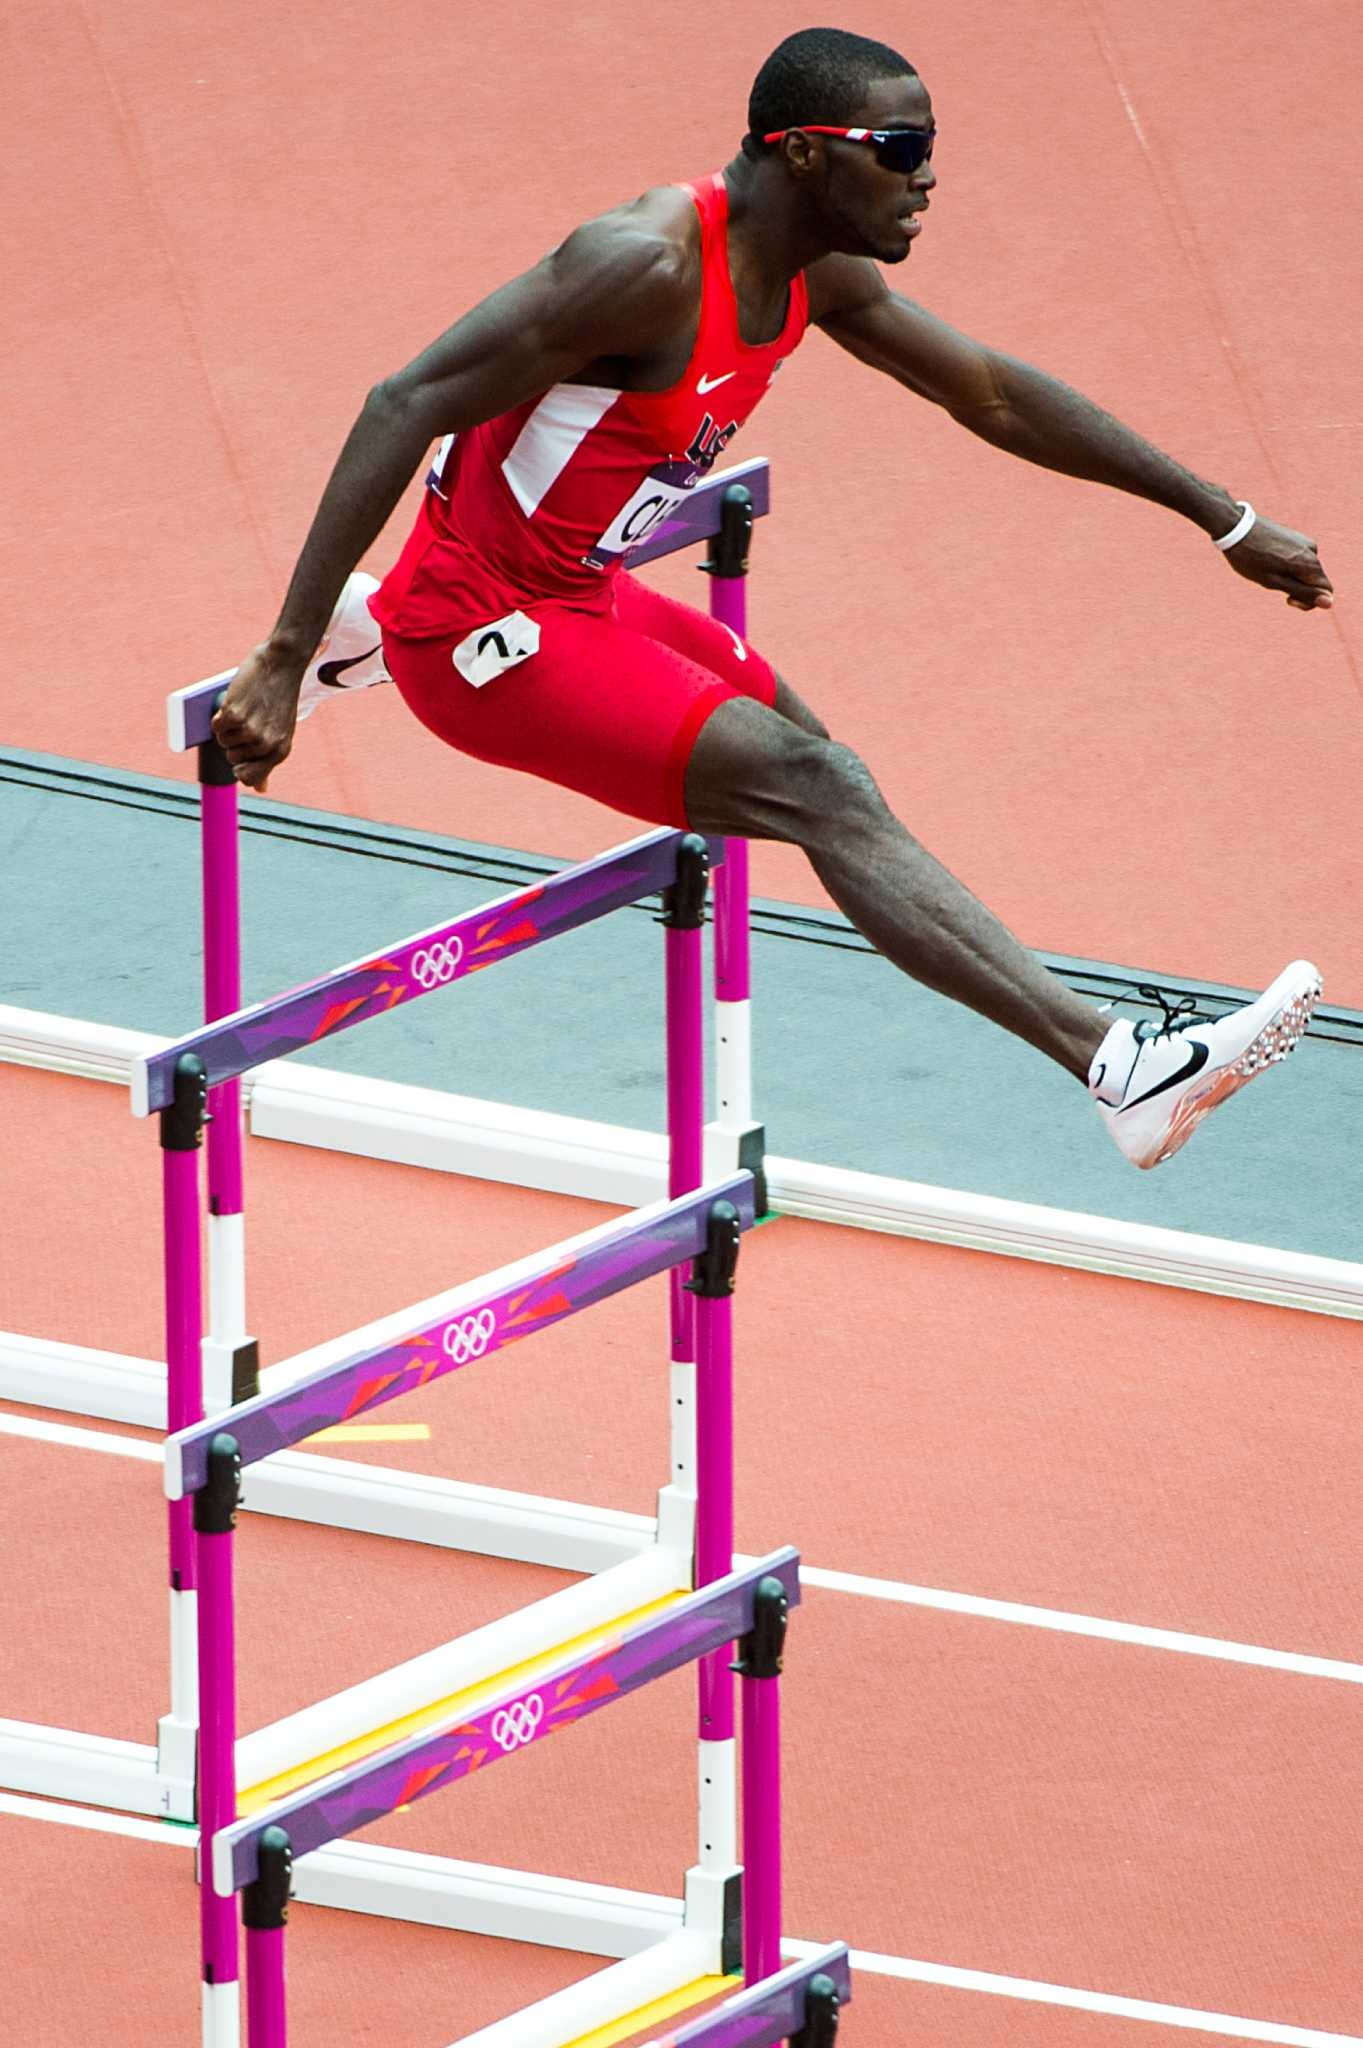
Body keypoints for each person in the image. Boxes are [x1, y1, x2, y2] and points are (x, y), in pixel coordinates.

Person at [213, 26, 1332, 1170]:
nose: (928, 176)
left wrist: (1222, 516)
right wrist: (273, 652)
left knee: (811, 754)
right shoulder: (641, 264)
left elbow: (990, 394)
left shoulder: (816, 272)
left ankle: (369, 626)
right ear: (803, 154)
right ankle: (1118, 1066)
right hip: (480, 630)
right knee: (821, 790)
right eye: (900, 147)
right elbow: (403, 401)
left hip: (575, 591)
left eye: (931, 146)